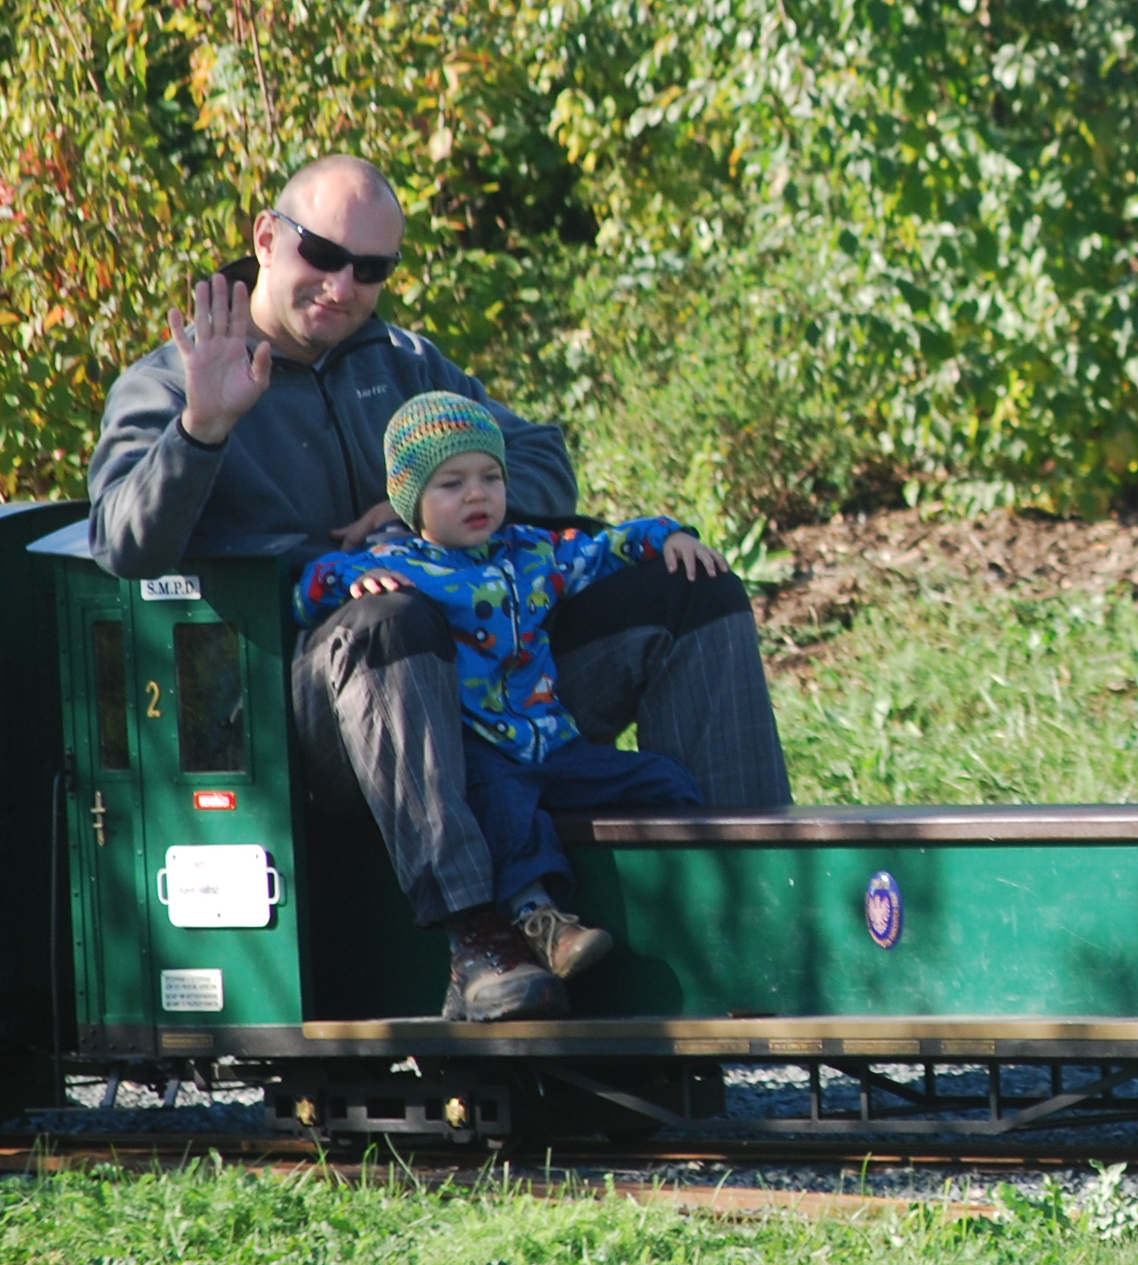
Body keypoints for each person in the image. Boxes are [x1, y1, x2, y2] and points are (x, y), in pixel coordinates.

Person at [88, 155, 789, 1022]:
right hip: (307, 718)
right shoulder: (172, 380)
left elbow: (540, 456)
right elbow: (120, 543)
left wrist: (422, 501)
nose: (343, 287)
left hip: (490, 686)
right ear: (267, 238)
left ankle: (756, 900)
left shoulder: (407, 366)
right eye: (323, 255)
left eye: (371, 270)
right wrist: (202, 429)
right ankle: (476, 937)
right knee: (391, 617)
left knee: (688, 589)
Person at [296, 395, 722, 1007]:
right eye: (452, 484)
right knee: (507, 809)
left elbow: (603, 548)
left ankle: (676, 909)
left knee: (663, 780)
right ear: (410, 502)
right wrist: (345, 582)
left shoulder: (533, 553)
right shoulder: (403, 565)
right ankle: (538, 921)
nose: (477, 495)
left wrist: (668, 536)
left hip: (551, 742)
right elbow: (310, 587)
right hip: (480, 750)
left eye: (490, 478)